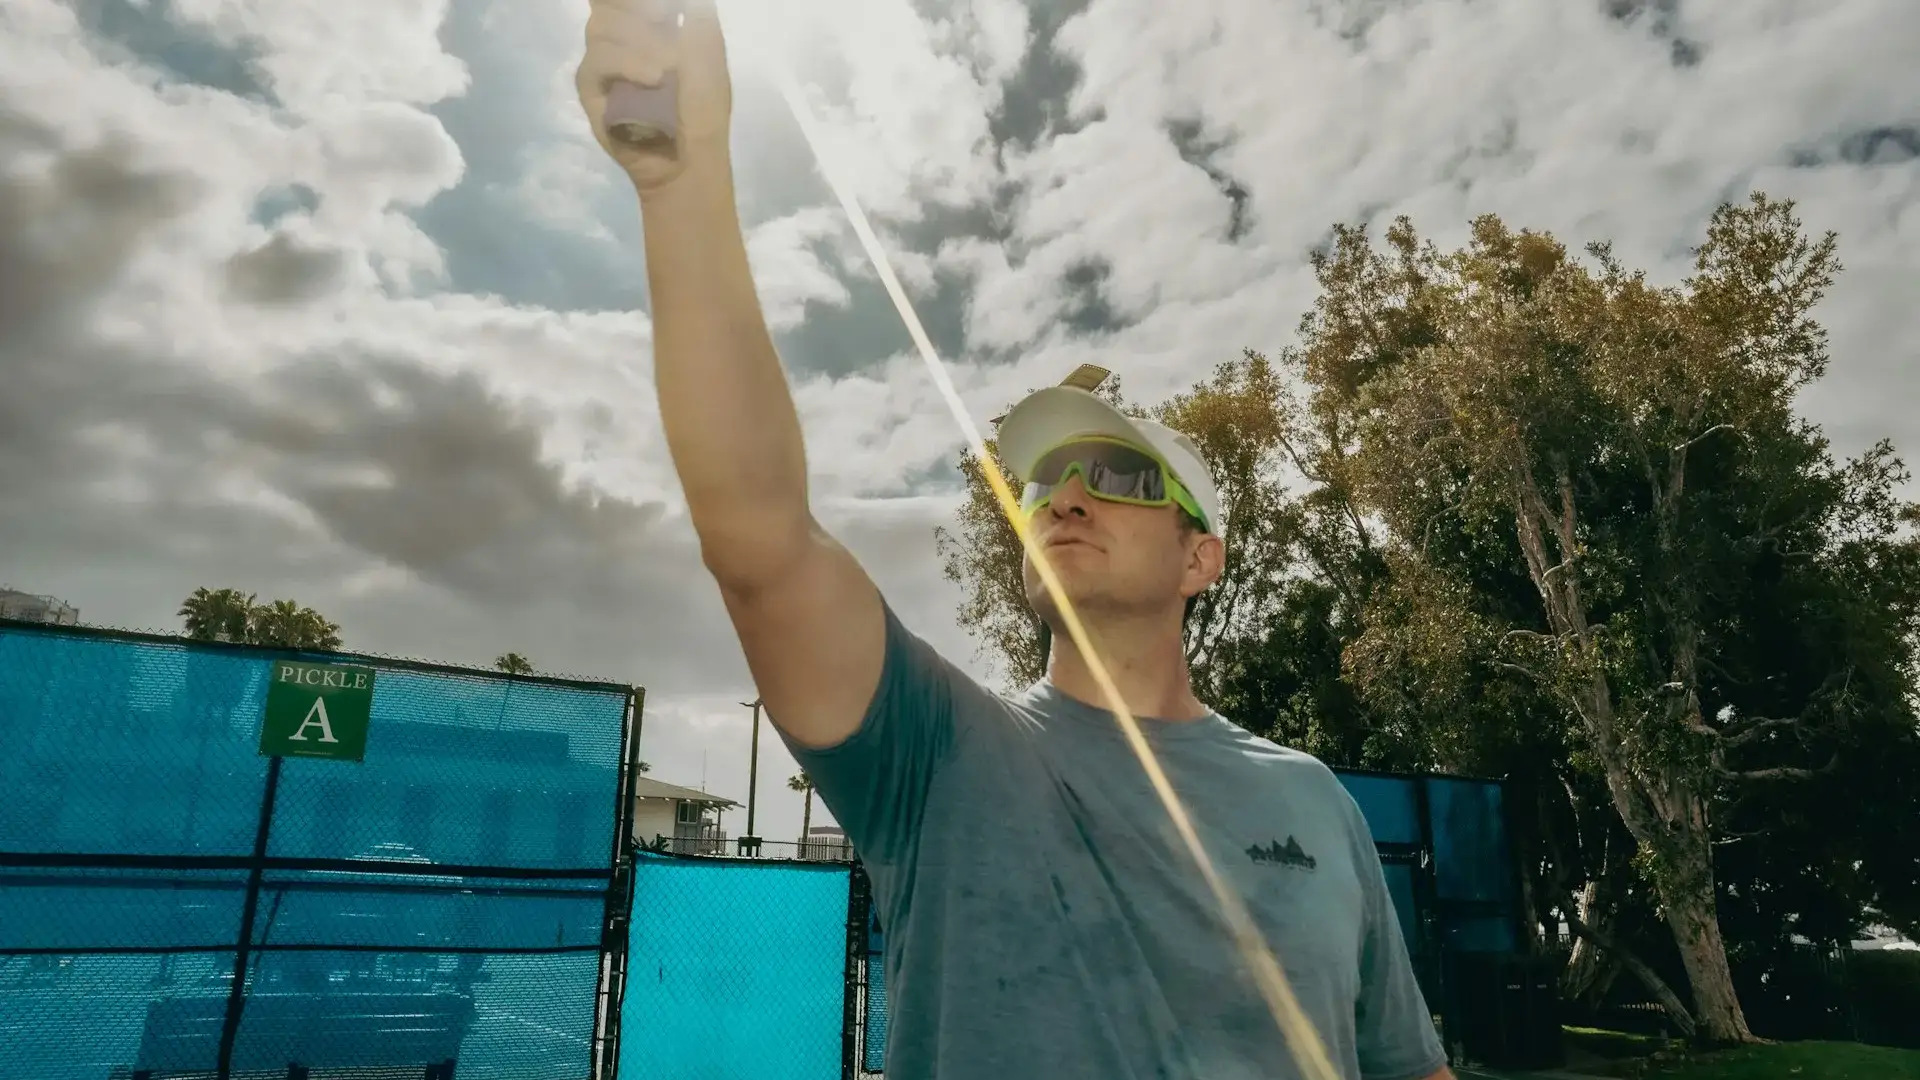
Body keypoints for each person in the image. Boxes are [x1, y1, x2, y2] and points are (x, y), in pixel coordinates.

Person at [577, 3, 1454, 1077]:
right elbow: (758, 535)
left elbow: (1408, 1064)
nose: (1066, 497)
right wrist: (684, 183)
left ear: (1201, 558)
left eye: (1121, 476)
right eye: (1044, 479)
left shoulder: (1312, 798)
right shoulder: (938, 752)